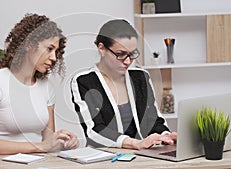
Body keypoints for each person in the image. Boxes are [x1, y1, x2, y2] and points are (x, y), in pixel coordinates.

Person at [0, 13, 79, 155]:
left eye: (56, 51)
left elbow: (47, 141)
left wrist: (63, 142)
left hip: (38, 163)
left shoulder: (46, 87)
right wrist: (40, 147)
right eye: (49, 49)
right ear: (29, 44)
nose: (54, 57)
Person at [70, 19, 177, 150]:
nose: (127, 61)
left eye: (132, 54)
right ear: (102, 48)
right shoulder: (84, 81)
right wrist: (135, 143)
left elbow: (153, 119)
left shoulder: (141, 77)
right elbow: (94, 130)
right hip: (104, 157)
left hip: (142, 156)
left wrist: (166, 136)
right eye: (120, 54)